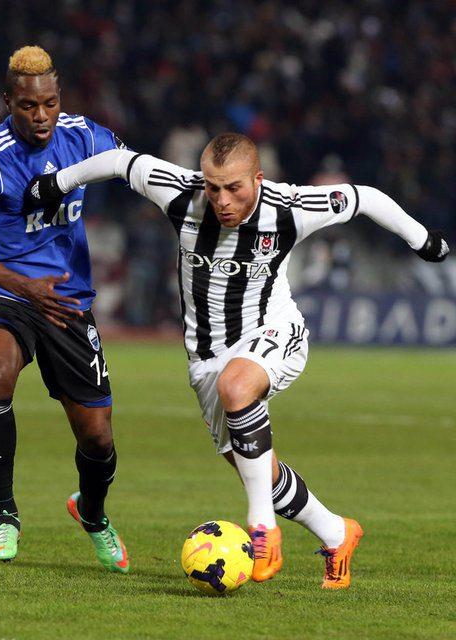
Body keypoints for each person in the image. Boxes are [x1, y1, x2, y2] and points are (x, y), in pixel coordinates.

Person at [24, 133, 450, 589]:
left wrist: (423, 239)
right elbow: (118, 161)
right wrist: (55, 184)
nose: (222, 200)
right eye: (213, 187)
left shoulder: (288, 207)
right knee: (258, 468)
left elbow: (364, 198)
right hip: (205, 357)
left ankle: (262, 529)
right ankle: (336, 533)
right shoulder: (180, 192)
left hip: (274, 330)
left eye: (234, 188)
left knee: (237, 388)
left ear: (257, 179)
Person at [0, 45, 129, 573]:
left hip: (68, 301)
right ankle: (4, 515)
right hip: (7, 293)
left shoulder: (86, 136)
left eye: (50, 103)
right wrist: (24, 288)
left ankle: (92, 512)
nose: (41, 116)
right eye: (29, 106)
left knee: (97, 438)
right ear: (8, 101)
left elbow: (131, 165)